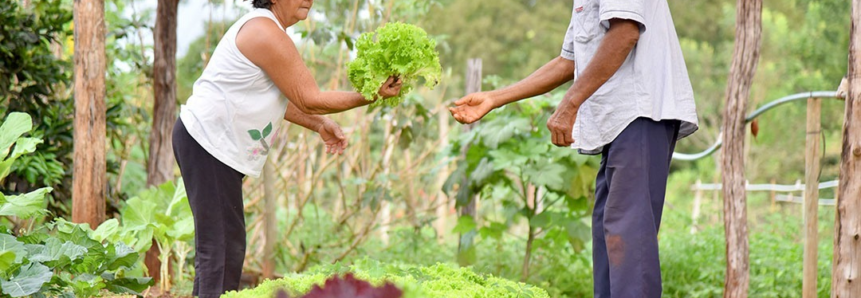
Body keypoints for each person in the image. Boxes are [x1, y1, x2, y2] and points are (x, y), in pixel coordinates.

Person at [449, 0, 698, 297]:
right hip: (619, 125)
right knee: (608, 236)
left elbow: (625, 33)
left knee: (627, 238)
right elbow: (569, 62)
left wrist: (570, 104)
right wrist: (495, 98)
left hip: (640, 113)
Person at [171, 0, 402, 296]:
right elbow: (309, 97)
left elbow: (284, 96)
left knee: (223, 245)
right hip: (208, 141)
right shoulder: (264, 31)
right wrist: (370, 94)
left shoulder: (268, 27)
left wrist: (318, 124)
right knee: (221, 248)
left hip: (210, 143)